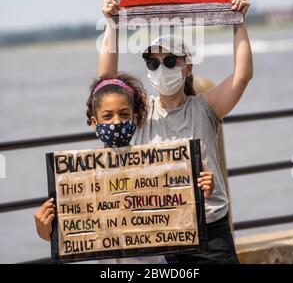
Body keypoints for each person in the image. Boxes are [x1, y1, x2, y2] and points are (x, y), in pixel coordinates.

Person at [98, 0, 253, 264]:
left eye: (170, 61)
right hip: (164, 232)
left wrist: (238, 20)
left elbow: (242, 76)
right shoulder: (141, 112)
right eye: (153, 62)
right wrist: (111, 23)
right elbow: (107, 83)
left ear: (187, 67)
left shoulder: (204, 107)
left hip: (211, 231)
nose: (161, 68)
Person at [34, 73, 214, 264]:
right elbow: (74, 234)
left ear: (135, 119)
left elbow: (181, 213)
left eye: (124, 114)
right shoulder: (79, 177)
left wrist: (199, 191)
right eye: (108, 116)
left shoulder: (158, 167)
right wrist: (46, 231)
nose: (117, 122)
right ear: (95, 122)